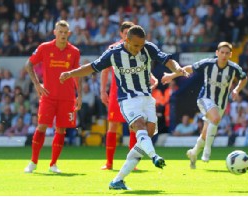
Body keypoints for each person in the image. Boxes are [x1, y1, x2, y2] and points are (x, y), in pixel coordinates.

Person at [60, 25, 187, 190]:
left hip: (147, 98)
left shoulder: (148, 48)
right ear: (126, 40)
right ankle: (154, 156)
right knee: (139, 126)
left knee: (145, 137)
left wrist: (177, 69)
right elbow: (92, 67)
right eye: (135, 45)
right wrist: (70, 73)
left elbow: (168, 60)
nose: (138, 49)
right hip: (127, 99)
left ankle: (118, 180)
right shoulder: (113, 53)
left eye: (141, 45)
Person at [161, 41, 248, 169]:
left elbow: (244, 78)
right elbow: (189, 68)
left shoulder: (234, 68)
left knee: (205, 133)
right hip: (205, 98)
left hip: (221, 103)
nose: (224, 55)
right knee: (216, 118)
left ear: (230, 55)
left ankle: (193, 153)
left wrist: (236, 90)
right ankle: (207, 151)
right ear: (217, 53)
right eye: (222, 52)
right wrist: (172, 75)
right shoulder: (208, 63)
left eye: (227, 53)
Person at [23, 20, 82, 174]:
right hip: (48, 96)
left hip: (67, 97)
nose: (63, 35)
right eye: (60, 32)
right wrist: (37, 84)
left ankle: (53, 164)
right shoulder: (44, 48)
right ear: (54, 32)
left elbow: (77, 75)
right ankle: (33, 162)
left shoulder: (74, 51)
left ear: (69, 34)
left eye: (65, 32)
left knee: (61, 130)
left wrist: (79, 95)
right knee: (41, 126)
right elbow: (29, 64)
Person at [100, 21, 158, 170]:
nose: (127, 35)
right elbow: (104, 70)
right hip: (116, 94)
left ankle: (133, 163)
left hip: (135, 95)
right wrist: (102, 90)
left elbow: (142, 67)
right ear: (121, 34)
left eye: (129, 32)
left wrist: (152, 78)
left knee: (135, 128)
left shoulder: (139, 48)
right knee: (112, 126)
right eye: (125, 33)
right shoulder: (113, 49)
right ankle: (109, 163)